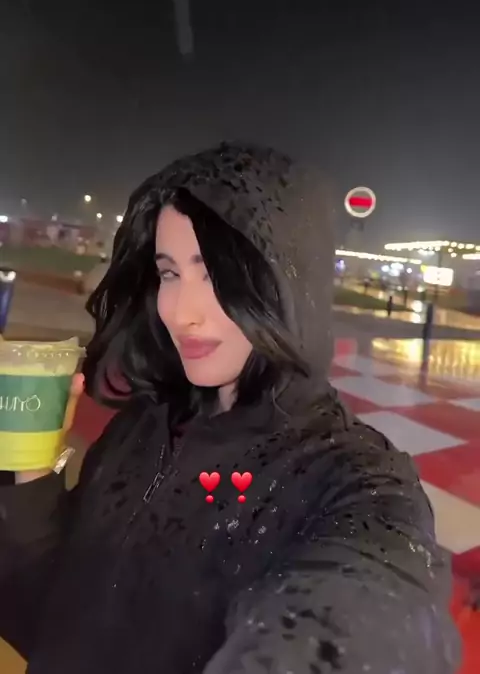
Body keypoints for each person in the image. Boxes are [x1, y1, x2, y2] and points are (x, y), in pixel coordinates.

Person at [0, 142, 459, 673]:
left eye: (214, 274)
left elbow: (373, 607)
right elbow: (51, 620)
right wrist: (32, 467)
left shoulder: (351, 477)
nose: (181, 313)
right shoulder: (142, 425)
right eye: (169, 273)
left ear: (288, 283)